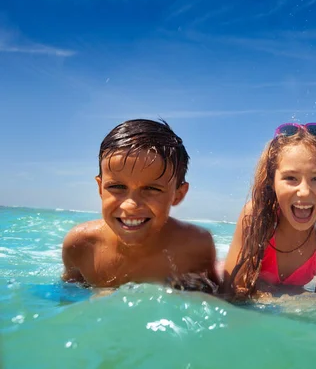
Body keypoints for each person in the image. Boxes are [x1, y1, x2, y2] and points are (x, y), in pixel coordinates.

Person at [61, 119, 218, 293]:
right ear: (100, 188)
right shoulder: (80, 244)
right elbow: (68, 296)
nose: (130, 205)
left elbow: (212, 296)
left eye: (151, 189)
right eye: (117, 187)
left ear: (178, 195)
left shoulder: (196, 245)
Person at [223, 123, 316, 299]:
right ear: (272, 181)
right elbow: (231, 288)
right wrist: (287, 301)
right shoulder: (255, 217)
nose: (304, 191)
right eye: (290, 178)